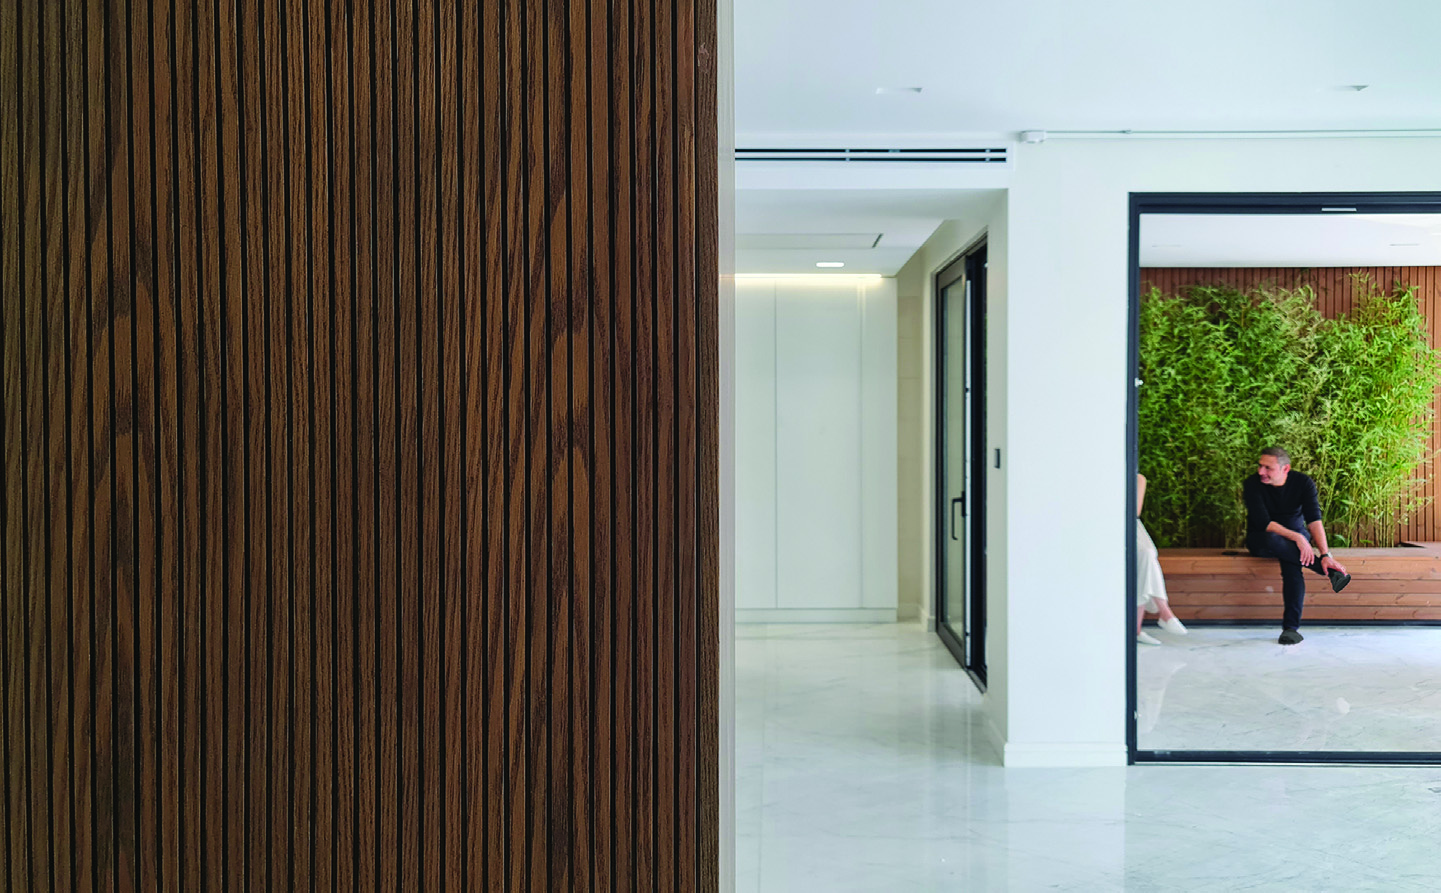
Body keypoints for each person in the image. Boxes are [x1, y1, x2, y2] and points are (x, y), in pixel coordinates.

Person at [1243, 447, 1352, 645]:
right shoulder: (1252, 484)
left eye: (1268, 468)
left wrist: (1326, 553)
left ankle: (1291, 629)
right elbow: (1263, 523)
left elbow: (1314, 519)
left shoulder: (1302, 483)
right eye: (1260, 466)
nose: (1261, 472)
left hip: (1295, 543)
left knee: (1292, 566)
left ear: (1286, 469)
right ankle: (1324, 570)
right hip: (1262, 538)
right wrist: (1299, 539)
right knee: (1274, 540)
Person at [1136, 473, 1187, 645]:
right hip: (1105, 523)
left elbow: (1134, 511)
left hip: (1129, 523)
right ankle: (1164, 612)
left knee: (1146, 555)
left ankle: (1153, 619)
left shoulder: (1138, 479)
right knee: (1146, 555)